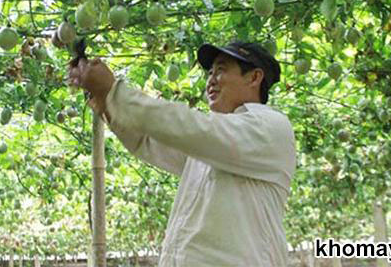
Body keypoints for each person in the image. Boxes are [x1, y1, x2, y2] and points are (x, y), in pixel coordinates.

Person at [68, 41, 296, 266]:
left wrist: (114, 91)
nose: (211, 80)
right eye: (210, 72)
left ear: (254, 78)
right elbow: (147, 142)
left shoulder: (269, 127)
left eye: (221, 70)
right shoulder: (213, 145)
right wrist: (107, 104)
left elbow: (188, 127)